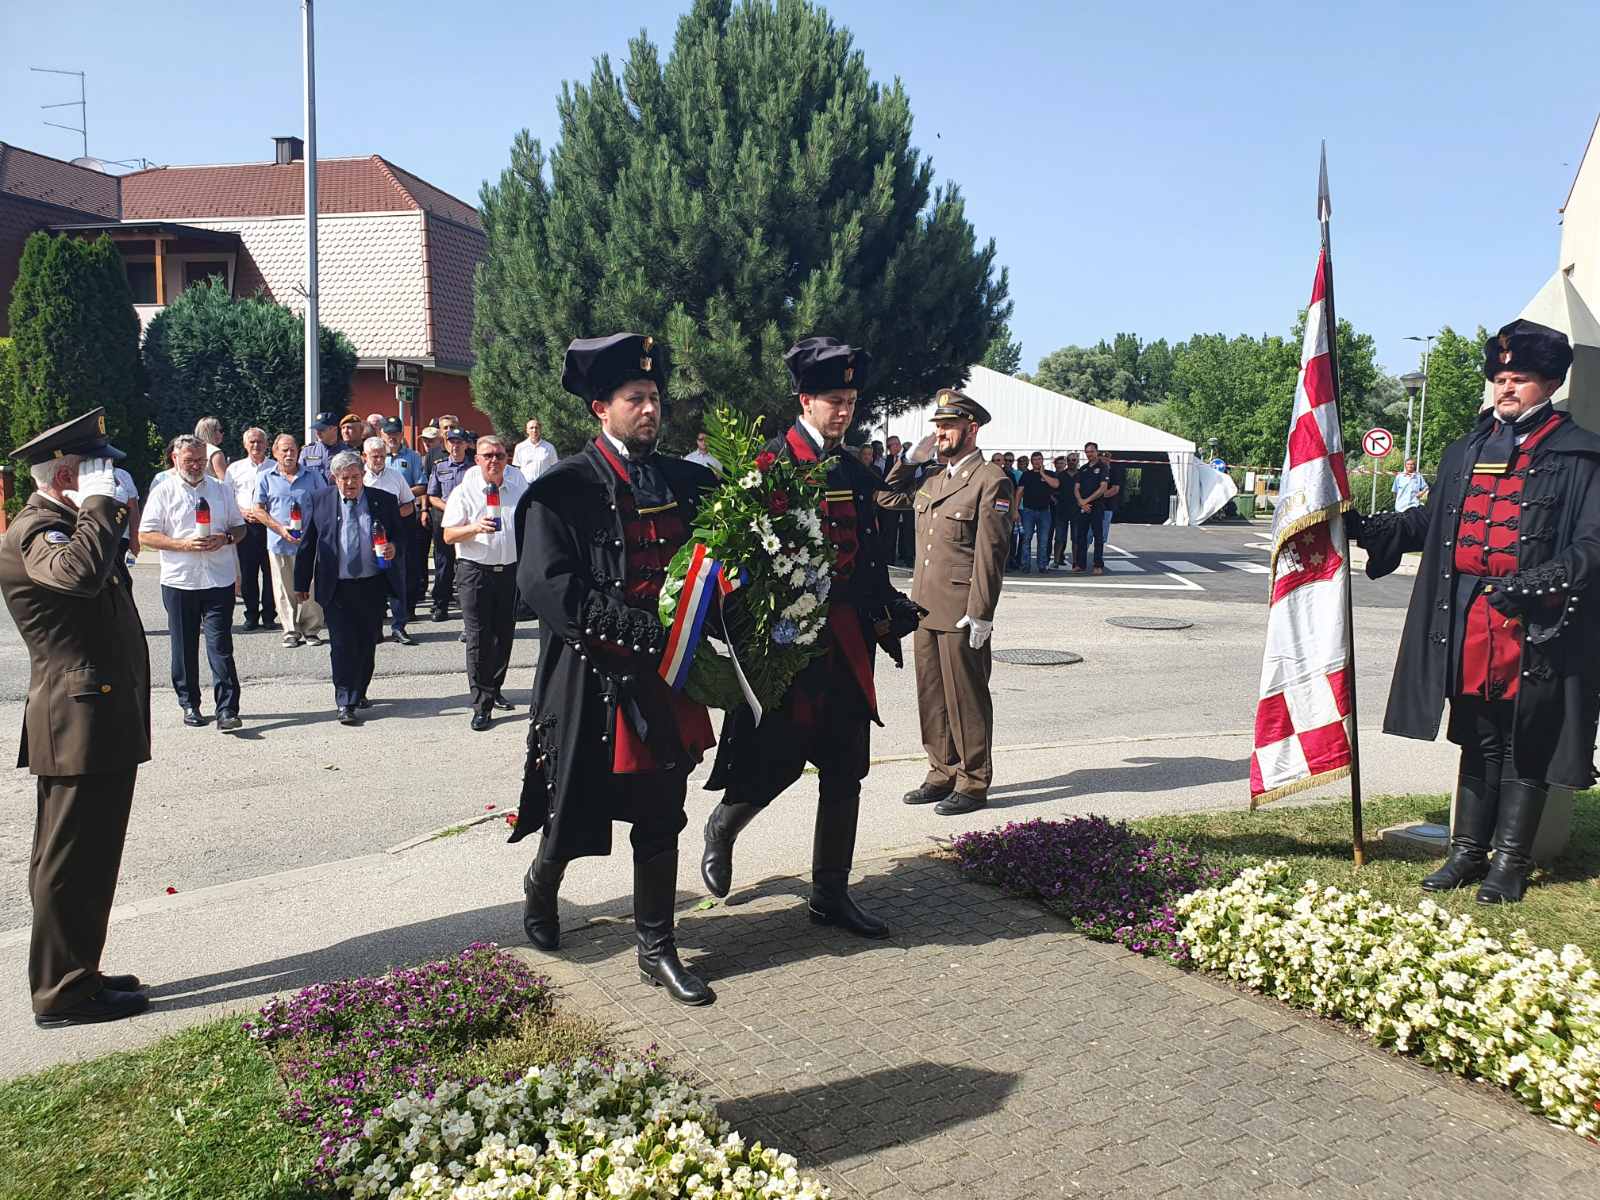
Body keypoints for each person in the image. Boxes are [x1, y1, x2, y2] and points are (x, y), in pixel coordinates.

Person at [1352, 319, 1600, 904]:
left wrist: (1538, 583)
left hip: (1541, 621)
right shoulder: (1467, 448)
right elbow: (1433, 523)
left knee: (1527, 739)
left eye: (1519, 379)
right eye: (1500, 377)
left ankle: (1509, 863)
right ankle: (1465, 853)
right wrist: (1372, 527)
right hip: (1465, 614)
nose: (1506, 388)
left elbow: (1592, 544)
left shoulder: (1580, 454)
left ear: (1549, 384)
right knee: (1477, 735)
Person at [512, 332, 719, 1005]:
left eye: (655, 397)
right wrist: (628, 626)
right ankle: (542, 884)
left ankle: (656, 948)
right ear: (601, 407)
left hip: (662, 679)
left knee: (663, 815)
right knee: (573, 815)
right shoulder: (563, 488)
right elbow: (547, 586)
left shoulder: (685, 481)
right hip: (589, 679)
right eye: (636, 399)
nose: (650, 409)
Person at [701, 335, 906, 941]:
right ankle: (723, 826)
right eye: (832, 400)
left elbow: (868, 556)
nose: (843, 411)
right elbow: (734, 563)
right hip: (788, 651)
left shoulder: (852, 469)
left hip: (847, 645)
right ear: (804, 400)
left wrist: (889, 606)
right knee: (777, 762)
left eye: (850, 400)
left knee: (847, 768)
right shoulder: (769, 466)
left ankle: (830, 895)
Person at [0, 408, 152, 1028]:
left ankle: (78, 970)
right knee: (69, 858)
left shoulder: (67, 522)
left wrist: (93, 510)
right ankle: (60, 991)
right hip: (76, 720)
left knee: (89, 854)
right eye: (96, 472)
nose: (110, 483)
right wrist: (96, 506)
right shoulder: (42, 529)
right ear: (66, 474)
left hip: (96, 715)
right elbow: (81, 578)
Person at [886, 389, 1013, 814]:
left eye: (949, 426)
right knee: (932, 695)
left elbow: (990, 554)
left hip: (960, 610)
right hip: (924, 606)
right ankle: (941, 771)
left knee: (966, 697)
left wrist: (981, 613)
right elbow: (885, 497)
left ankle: (974, 781)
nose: (940, 433)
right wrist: (909, 460)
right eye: (937, 426)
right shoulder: (933, 479)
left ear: (971, 429)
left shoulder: (990, 479)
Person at [139, 435, 246, 731]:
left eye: (201, 460)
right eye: (189, 460)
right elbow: (146, 535)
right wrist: (181, 545)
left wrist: (224, 539)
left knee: (220, 645)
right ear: (175, 459)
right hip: (180, 580)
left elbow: (239, 528)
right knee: (184, 646)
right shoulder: (163, 491)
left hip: (218, 578)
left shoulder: (222, 490)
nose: (196, 466)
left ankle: (227, 709)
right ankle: (190, 703)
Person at [293, 451, 406, 724]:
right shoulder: (320, 501)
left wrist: (393, 547)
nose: (351, 483)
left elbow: (403, 537)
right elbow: (308, 543)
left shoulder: (383, 500)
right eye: (345, 478)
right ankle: (345, 700)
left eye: (356, 477)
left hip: (372, 584)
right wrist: (300, 583)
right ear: (335, 478)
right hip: (337, 586)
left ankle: (360, 689)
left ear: (363, 476)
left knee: (367, 642)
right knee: (341, 645)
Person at [444, 435, 528, 730]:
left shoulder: (518, 488)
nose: (494, 461)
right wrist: (474, 527)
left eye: (500, 456)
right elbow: (448, 535)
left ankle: (495, 688)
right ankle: (482, 704)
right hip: (474, 571)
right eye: (488, 456)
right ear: (477, 459)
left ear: (507, 459)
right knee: (479, 637)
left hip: (509, 572)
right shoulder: (464, 492)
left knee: (504, 633)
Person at [255, 433, 328, 647]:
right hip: (279, 542)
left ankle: (311, 629)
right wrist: (280, 529)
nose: (289, 454)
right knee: (283, 587)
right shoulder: (266, 477)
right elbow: (258, 510)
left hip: (310, 543)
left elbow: (324, 504)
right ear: (275, 453)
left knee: (311, 587)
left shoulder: (313, 476)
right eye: (284, 450)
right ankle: (290, 630)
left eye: (293, 450)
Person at [362, 436, 418, 645]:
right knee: (372, 584)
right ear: (364, 456)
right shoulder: (360, 478)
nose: (378, 460)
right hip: (366, 538)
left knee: (396, 583)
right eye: (374, 456)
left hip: (392, 537)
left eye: (382, 456)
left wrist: (392, 514)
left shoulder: (395, 476)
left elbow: (409, 505)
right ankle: (375, 628)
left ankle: (399, 626)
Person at [225, 427, 277, 632]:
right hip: (245, 525)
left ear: (266, 444)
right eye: (252, 442)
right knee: (248, 573)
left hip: (269, 525)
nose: (256, 445)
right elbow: (227, 496)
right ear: (245, 444)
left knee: (271, 571)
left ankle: (269, 616)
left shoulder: (275, 466)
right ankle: (251, 615)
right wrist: (242, 511)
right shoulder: (235, 469)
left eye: (260, 442)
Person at [381, 418, 429, 624]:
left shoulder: (413, 457)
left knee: (408, 563)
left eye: (396, 433)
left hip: (403, 514)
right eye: (388, 433)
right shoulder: (375, 456)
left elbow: (422, 485)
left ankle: (408, 608)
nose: (392, 437)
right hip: (380, 518)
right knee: (380, 561)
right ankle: (381, 607)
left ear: (402, 435)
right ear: (381, 434)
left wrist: (401, 494)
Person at [426, 427, 473, 620]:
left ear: (466, 445)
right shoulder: (440, 466)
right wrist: (450, 508)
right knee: (443, 565)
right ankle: (440, 605)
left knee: (466, 566)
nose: (455, 446)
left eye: (459, 442)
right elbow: (432, 496)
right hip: (445, 521)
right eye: (452, 442)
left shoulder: (474, 469)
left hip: (468, 522)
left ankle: (468, 608)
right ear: (447, 444)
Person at [1016, 451, 1059, 573]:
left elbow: (1056, 485)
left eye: (1039, 459)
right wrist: (1015, 510)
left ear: (1042, 460)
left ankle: (1042, 565)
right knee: (1026, 539)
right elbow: (1019, 493)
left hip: (1045, 511)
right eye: (1035, 460)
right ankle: (1025, 565)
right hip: (1028, 511)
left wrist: (1043, 474)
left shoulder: (1050, 474)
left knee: (1044, 540)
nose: (1037, 462)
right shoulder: (1026, 475)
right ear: (1031, 462)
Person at [1073, 442, 1110, 574]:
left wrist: (1086, 501)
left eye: (1091, 451)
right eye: (1087, 452)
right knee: (1081, 536)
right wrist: (1081, 502)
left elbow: (1103, 488)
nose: (1089, 454)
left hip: (1097, 506)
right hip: (1083, 506)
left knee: (1098, 536)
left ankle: (1098, 565)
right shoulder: (1083, 469)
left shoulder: (1103, 466)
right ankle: (1080, 564)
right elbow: (1076, 488)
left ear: (1096, 451)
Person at [1052, 453, 1079, 567]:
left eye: (1074, 459)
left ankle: (1075, 562)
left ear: (1077, 461)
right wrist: (1055, 500)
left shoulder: (1082, 474)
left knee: (1076, 538)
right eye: (1069, 460)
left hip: (1077, 510)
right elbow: (1051, 489)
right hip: (1061, 510)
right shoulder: (1060, 475)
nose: (1071, 461)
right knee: (1059, 538)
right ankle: (1056, 561)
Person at [300, 410, 342, 481]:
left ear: (334, 429)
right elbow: (300, 475)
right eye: (316, 429)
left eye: (322, 430)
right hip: (315, 491)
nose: (318, 433)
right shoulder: (307, 451)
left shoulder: (347, 452)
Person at [1100, 450, 1126, 546]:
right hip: (1092, 507)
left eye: (1106, 460)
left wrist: (1098, 496)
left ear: (1109, 460)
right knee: (1088, 534)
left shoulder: (1114, 472)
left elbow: (1115, 489)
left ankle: (1098, 556)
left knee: (1102, 535)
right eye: (1102, 460)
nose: (1104, 462)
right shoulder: (1094, 471)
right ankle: (1082, 556)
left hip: (1107, 506)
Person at [194, 416, 228, 481]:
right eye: (220, 430)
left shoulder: (193, 450)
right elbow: (224, 480)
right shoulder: (215, 452)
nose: (223, 433)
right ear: (211, 432)